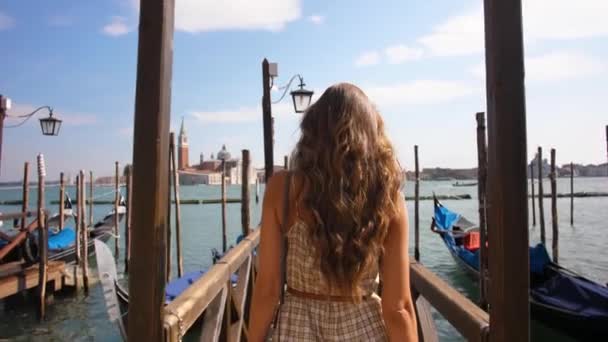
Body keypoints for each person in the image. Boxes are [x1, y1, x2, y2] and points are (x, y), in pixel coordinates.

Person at [249, 83, 418, 341]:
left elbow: (267, 290)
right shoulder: (388, 198)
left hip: (297, 330)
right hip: (364, 329)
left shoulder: (282, 189)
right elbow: (398, 308)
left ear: (312, 132)